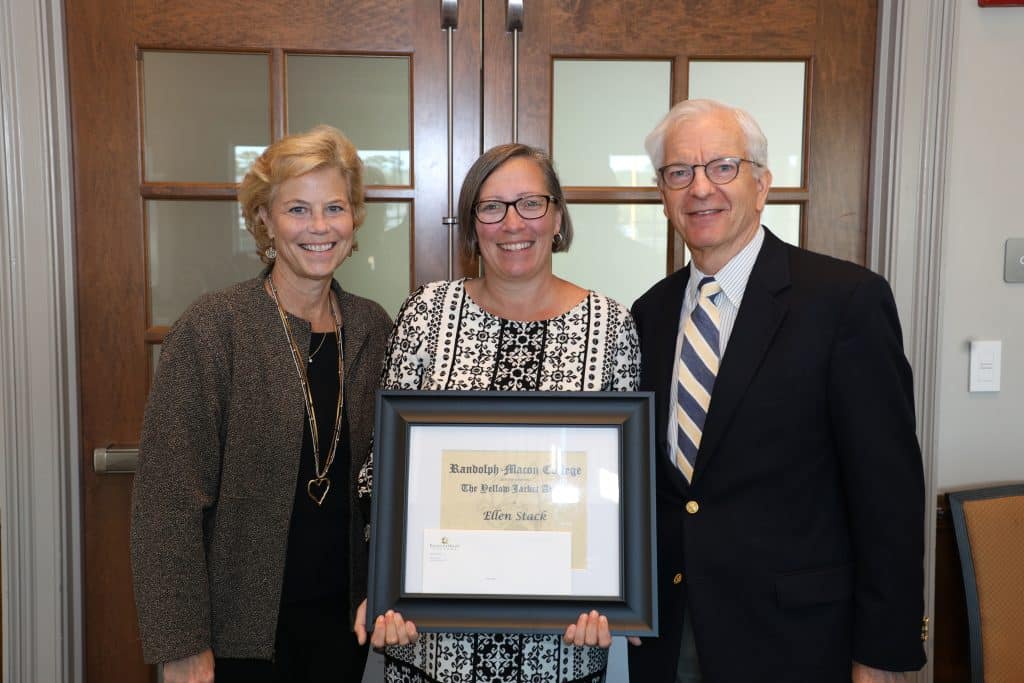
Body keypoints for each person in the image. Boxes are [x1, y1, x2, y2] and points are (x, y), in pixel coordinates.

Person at [627, 99, 927, 682]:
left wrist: (881, 655)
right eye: (678, 173)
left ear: (762, 185)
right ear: (663, 194)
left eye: (722, 167)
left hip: (799, 642)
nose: (699, 189)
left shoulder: (844, 302)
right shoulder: (649, 313)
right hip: (670, 635)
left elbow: (887, 494)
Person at [354, 143, 641, 683]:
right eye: (492, 207)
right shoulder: (425, 313)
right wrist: (384, 581)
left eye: (531, 203)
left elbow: (618, 486)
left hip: (560, 647)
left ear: (557, 216)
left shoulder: (612, 327)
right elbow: (382, 468)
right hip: (433, 642)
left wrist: (610, 590)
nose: (513, 223)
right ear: (472, 225)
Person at [130, 125, 392, 683]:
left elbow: (389, 482)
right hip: (237, 641)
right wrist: (181, 644)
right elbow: (166, 501)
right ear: (265, 221)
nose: (319, 227)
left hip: (344, 630)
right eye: (298, 208)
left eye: (334, 208)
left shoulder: (372, 327)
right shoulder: (214, 329)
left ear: (354, 220)